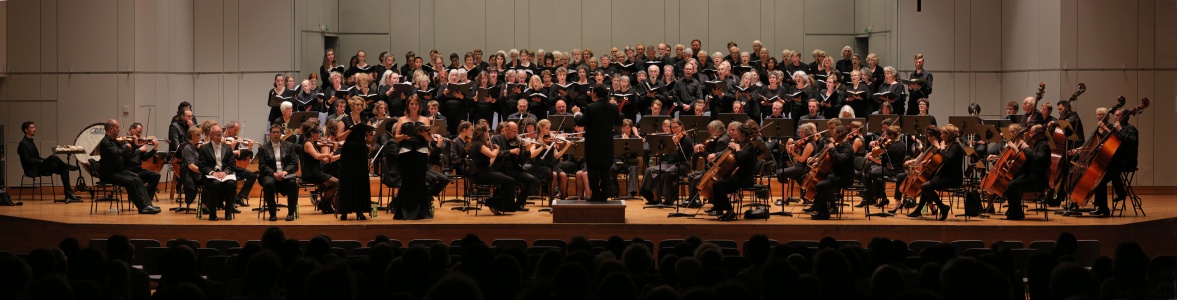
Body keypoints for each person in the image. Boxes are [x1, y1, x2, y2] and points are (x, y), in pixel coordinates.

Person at [96, 119, 160, 214]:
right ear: (111, 129)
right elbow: (116, 154)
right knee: (130, 181)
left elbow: (126, 155)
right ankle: (141, 208)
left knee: (137, 178)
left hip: (118, 170)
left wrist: (134, 146)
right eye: (117, 128)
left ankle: (147, 205)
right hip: (109, 173)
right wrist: (125, 146)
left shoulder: (115, 141)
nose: (119, 130)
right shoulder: (106, 142)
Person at [573, 86, 623, 202]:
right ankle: (605, 195)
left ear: (595, 94)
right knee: (606, 170)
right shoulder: (613, 107)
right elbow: (618, 122)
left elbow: (580, 122)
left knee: (593, 171)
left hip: (593, 144)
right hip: (607, 144)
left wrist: (576, 113)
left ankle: (595, 195)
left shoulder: (591, 107)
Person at [907, 124, 965, 220]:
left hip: (953, 178)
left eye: (942, 134)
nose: (940, 136)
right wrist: (929, 161)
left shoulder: (955, 146)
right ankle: (918, 210)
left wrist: (940, 148)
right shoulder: (948, 145)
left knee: (925, 186)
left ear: (948, 135)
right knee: (925, 183)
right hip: (945, 176)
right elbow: (942, 160)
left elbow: (948, 160)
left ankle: (943, 207)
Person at [708, 120, 762, 221]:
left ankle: (729, 211)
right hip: (740, 176)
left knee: (718, 185)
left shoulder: (750, 147)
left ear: (743, 134)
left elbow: (741, 160)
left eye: (738, 133)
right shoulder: (744, 145)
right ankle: (721, 209)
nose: (737, 135)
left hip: (745, 179)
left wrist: (736, 149)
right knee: (717, 185)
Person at [1089, 107, 1137, 217]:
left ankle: (1121, 192)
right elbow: (1114, 144)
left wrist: (1119, 129)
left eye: (1118, 115)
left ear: (1125, 116)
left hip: (1127, 160)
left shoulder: (1131, 129)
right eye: (1115, 115)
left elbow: (1131, 142)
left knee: (1111, 167)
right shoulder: (1115, 129)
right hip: (1116, 160)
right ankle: (1103, 208)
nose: (1115, 117)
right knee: (1099, 179)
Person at [17, 121, 81, 203]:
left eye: (34, 127)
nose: (34, 129)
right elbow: (27, 160)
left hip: (39, 166)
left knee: (63, 169)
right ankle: (69, 166)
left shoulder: (30, 142)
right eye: (32, 128)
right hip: (33, 169)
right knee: (53, 157)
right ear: (26, 130)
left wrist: (43, 160)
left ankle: (69, 194)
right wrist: (42, 161)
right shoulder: (23, 143)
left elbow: (37, 157)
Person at [999, 124, 1050, 220]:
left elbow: (1037, 159)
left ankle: (1016, 212)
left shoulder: (1044, 146)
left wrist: (1026, 148)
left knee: (1012, 185)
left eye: (1031, 133)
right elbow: (1029, 160)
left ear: (1037, 134)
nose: (1029, 135)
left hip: (1037, 179)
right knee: (1011, 181)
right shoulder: (1037, 145)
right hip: (1031, 176)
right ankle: (1014, 210)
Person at [639, 119, 694, 206]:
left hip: (683, 164)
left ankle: (669, 199)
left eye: (676, 127)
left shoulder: (687, 140)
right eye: (672, 128)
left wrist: (676, 145)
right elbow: (667, 152)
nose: (674, 130)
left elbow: (681, 155)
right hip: (669, 163)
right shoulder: (672, 138)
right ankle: (653, 196)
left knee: (668, 172)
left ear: (681, 127)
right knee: (650, 170)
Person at [197, 122, 241, 220]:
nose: (219, 137)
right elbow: (202, 166)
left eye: (220, 134)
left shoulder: (228, 148)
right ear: (211, 135)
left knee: (231, 184)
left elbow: (231, 165)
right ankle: (212, 214)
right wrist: (213, 173)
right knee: (215, 184)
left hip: (224, 175)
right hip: (210, 177)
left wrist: (225, 172)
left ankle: (228, 213)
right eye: (216, 135)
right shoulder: (204, 148)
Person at [811, 125, 855, 220]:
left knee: (821, 185)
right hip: (836, 174)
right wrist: (818, 163)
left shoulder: (847, 147)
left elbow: (840, 159)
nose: (832, 136)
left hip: (845, 177)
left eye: (834, 134)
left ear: (840, 134)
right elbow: (830, 159)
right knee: (818, 181)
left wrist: (832, 149)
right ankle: (819, 208)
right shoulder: (838, 145)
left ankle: (824, 213)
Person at [257, 124, 300, 221]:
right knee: (268, 184)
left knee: (292, 183)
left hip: (286, 174)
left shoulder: (289, 146)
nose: (275, 134)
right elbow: (262, 166)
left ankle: (290, 213)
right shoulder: (263, 148)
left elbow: (294, 163)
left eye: (278, 132)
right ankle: (272, 214)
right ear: (270, 134)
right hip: (270, 175)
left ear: (281, 134)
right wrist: (274, 173)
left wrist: (285, 171)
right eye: (273, 132)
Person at [491, 121, 537, 211]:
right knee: (510, 180)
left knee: (530, 179)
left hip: (512, 170)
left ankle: (519, 203)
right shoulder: (496, 139)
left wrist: (527, 151)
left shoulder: (517, 142)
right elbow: (496, 154)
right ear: (506, 130)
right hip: (499, 168)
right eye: (513, 131)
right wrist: (510, 151)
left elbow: (521, 161)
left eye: (517, 132)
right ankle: (501, 204)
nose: (516, 134)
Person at [300, 119, 340, 214]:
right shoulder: (308, 144)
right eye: (318, 133)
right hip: (310, 173)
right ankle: (325, 204)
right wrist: (331, 152)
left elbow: (323, 160)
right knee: (336, 182)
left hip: (316, 172)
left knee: (336, 182)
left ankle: (325, 204)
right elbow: (317, 156)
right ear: (312, 134)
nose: (320, 135)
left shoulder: (313, 143)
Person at [338, 122, 375, 221]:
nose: (359, 106)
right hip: (348, 152)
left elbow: (369, 140)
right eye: (357, 104)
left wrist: (370, 137)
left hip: (361, 152)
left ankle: (360, 210)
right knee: (348, 180)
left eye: (360, 104)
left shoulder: (365, 120)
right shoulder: (344, 120)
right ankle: (344, 210)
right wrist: (350, 130)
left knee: (360, 180)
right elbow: (339, 138)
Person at [864, 126, 907, 210]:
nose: (885, 137)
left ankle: (874, 197)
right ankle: (882, 198)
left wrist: (871, 158)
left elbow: (882, 162)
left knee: (870, 173)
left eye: (886, 135)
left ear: (891, 136)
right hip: (898, 168)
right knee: (874, 173)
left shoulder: (891, 147)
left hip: (893, 170)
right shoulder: (902, 144)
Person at [123, 122, 162, 202]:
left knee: (156, 175)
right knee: (136, 177)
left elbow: (144, 158)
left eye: (141, 132)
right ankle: (138, 197)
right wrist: (137, 147)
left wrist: (154, 149)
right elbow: (127, 156)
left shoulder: (139, 141)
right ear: (132, 129)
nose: (140, 134)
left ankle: (147, 199)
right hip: (127, 169)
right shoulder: (124, 140)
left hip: (137, 169)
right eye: (138, 131)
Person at [223, 121, 256, 207]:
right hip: (224, 168)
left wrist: (249, 148)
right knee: (233, 178)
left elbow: (239, 157)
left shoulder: (234, 140)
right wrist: (232, 148)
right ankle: (233, 201)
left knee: (252, 175)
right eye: (235, 130)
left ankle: (240, 196)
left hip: (233, 167)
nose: (236, 132)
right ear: (228, 128)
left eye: (237, 130)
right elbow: (223, 155)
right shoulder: (222, 139)